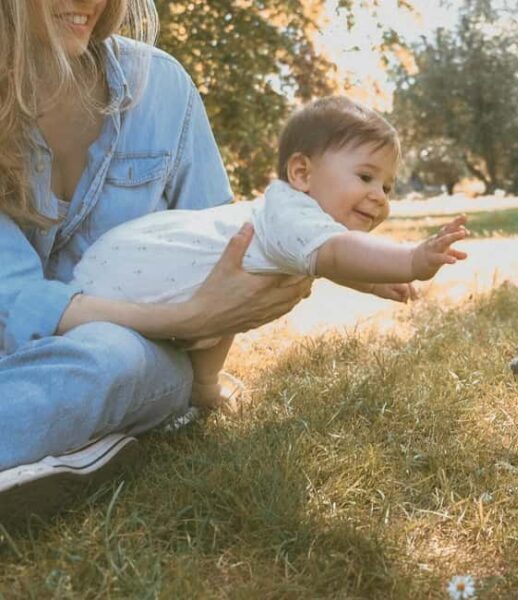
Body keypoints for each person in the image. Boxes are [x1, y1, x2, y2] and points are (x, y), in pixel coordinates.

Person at [0, 0, 312, 524]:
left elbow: (220, 250)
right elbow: (13, 296)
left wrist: (207, 371)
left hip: (133, 354)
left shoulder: (162, 89)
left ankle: (55, 436)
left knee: (110, 359)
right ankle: (71, 445)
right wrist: (189, 319)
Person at [72, 96, 470, 409]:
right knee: (210, 313)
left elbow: (329, 260)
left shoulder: (294, 224)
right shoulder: (291, 213)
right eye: (366, 176)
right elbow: (334, 254)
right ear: (302, 174)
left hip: (156, 289)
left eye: (388, 187)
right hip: (117, 289)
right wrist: (411, 261)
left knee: (231, 302)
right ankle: (199, 385)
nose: (378, 196)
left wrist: (373, 284)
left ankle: (203, 386)